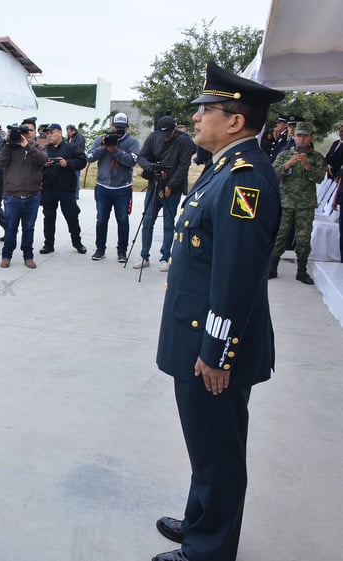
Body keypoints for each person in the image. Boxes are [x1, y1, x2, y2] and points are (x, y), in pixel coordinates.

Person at [153, 61, 284, 561]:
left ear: (234, 121)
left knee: (219, 452)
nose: (197, 118)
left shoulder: (243, 179)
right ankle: (199, 520)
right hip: (196, 336)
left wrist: (216, 352)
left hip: (211, 347)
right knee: (206, 444)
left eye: (206, 110)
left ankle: (209, 550)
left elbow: (234, 278)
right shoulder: (223, 170)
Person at [134, 116, 196, 271]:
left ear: (174, 129)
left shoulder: (184, 140)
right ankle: (144, 256)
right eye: (163, 134)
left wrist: (170, 186)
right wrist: (151, 167)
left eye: (168, 133)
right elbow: (141, 157)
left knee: (169, 223)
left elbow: (183, 166)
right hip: (154, 185)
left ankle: (165, 257)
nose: (165, 136)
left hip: (172, 189)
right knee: (147, 220)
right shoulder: (154, 137)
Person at [270, 121, 325, 284]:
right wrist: (289, 164)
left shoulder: (317, 157)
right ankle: (272, 268)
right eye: (298, 135)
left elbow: (320, 178)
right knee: (279, 236)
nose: (301, 139)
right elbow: (273, 174)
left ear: (311, 138)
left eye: (305, 136)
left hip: (305, 205)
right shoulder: (285, 155)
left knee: (303, 239)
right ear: (293, 137)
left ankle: (301, 271)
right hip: (285, 203)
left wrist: (306, 165)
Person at [86, 112, 141, 262]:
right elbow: (89, 157)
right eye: (117, 127)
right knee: (101, 219)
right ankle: (100, 249)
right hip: (103, 187)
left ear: (127, 127)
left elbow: (132, 161)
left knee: (122, 220)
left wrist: (115, 151)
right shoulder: (101, 139)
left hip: (122, 188)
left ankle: (122, 251)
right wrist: (103, 148)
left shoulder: (132, 142)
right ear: (112, 125)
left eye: (122, 128)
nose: (118, 130)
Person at [0, 118, 46, 268]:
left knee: (29, 228)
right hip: (13, 195)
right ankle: (6, 256)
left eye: (30, 131)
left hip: (32, 196)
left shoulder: (39, 147)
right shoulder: (10, 147)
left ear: (34, 132)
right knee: (11, 227)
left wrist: (28, 146)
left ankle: (28, 256)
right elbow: (0, 162)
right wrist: (6, 144)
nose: (27, 134)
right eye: (24, 131)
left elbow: (43, 160)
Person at [39, 123, 88, 255]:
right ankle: (48, 244)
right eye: (47, 134)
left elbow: (82, 161)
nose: (49, 136)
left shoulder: (72, 147)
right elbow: (37, 165)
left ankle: (77, 242)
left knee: (72, 216)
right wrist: (44, 165)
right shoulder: (44, 149)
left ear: (59, 133)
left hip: (66, 189)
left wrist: (67, 163)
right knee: (48, 217)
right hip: (49, 188)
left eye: (51, 133)